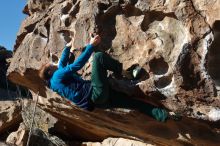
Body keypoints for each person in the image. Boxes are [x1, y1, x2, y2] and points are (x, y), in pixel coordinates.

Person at [39, 35, 175, 122]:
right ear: (50, 71)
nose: (55, 63)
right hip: (95, 93)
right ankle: (126, 73)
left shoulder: (54, 82)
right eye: (52, 64)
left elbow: (62, 64)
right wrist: (91, 46)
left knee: (133, 103)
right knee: (98, 57)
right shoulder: (57, 75)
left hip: (99, 103)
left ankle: (164, 115)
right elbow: (76, 66)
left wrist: (67, 48)